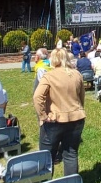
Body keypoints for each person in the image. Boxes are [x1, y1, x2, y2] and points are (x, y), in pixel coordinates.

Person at [33, 48, 86, 176]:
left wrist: (43, 116)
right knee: (71, 154)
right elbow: (82, 97)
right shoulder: (77, 74)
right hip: (76, 118)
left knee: (47, 156)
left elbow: (37, 96)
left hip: (54, 119)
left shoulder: (49, 75)